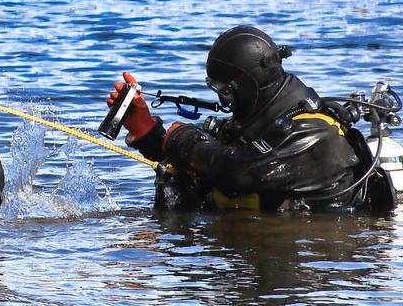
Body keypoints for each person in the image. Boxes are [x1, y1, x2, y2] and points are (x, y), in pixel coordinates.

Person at [107, 25, 392, 212]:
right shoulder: (259, 122)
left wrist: (182, 137)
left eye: (226, 94)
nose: (224, 104)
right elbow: (209, 160)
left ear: (243, 89)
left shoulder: (312, 134)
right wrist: (148, 132)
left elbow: (238, 171)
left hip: (318, 253)